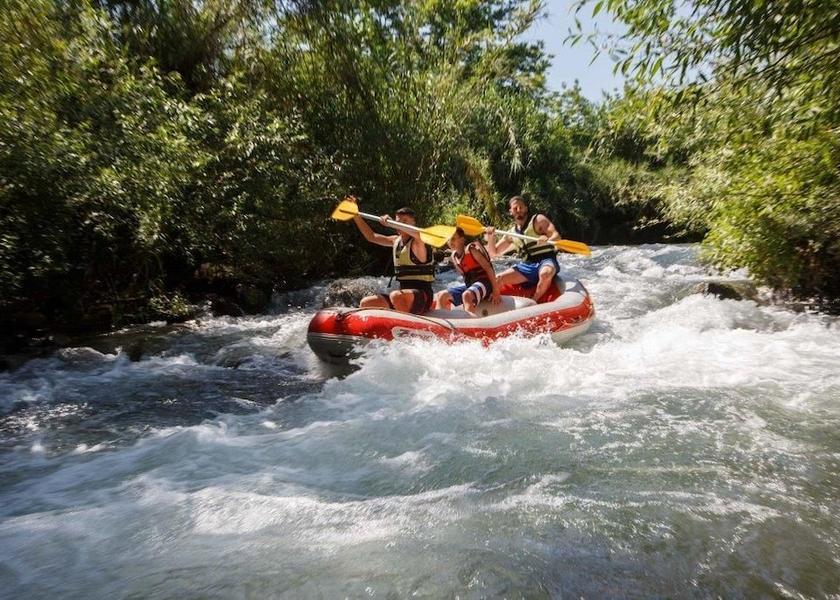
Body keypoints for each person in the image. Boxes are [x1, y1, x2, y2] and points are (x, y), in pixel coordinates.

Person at [348, 198, 435, 314]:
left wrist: (393, 224)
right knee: (366, 302)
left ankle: (406, 326)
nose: (399, 225)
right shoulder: (395, 241)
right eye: (398, 221)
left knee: (396, 295)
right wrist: (356, 216)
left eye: (404, 222)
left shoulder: (418, 242)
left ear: (414, 223)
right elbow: (371, 236)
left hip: (423, 297)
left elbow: (420, 235)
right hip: (402, 296)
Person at [484, 195, 561, 303]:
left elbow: (556, 236)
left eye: (521, 207)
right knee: (498, 279)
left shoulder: (538, 220)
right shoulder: (511, 233)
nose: (519, 210)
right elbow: (494, 253)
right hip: (528, 265)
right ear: (511, 212)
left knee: (545, 274)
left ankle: (534, 301)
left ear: (526, 208)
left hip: (546, 260)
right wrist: (491, 237)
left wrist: (547, 239)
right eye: (515, 208)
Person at [435, 228, 500, 316]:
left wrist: (496, 290)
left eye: (453, 238)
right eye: (448, 239)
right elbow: (465, 277)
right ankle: (443, 325)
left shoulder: (471, 250)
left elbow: (488, 268)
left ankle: (470, 325)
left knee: (466, 295)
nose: (450, 241)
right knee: (441, 295)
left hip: (485, 284)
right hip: (471, 285)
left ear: (462, 240)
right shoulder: (454, 257)